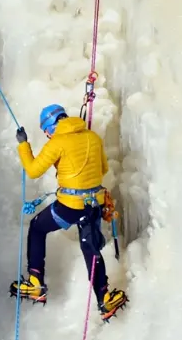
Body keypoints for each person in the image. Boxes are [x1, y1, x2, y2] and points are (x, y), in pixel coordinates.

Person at [9, 104, 128, 321]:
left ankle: (36, 283)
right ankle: (104, 299)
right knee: (89, 247)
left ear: (51, 127)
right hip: (94, 205)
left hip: (70, 205)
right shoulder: (92, 137)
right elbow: (103, 169)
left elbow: (33, 171)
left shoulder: (57, 142)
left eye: (46, 132)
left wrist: (24, 145)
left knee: (37, 227)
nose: (47, 136)